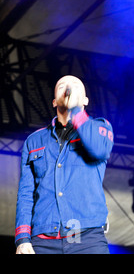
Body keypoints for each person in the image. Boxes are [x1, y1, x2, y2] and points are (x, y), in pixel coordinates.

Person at [15, 75, 114, 254]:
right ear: (54, 101)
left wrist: (75, 110)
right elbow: (26, 193)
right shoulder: (34, 141)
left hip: (87, 238)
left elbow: (99, 149)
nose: (69, 87)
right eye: (62, 85)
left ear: (85, 100)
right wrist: (22, 239)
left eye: (76, 85)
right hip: (43, 241)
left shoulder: (101, 127)